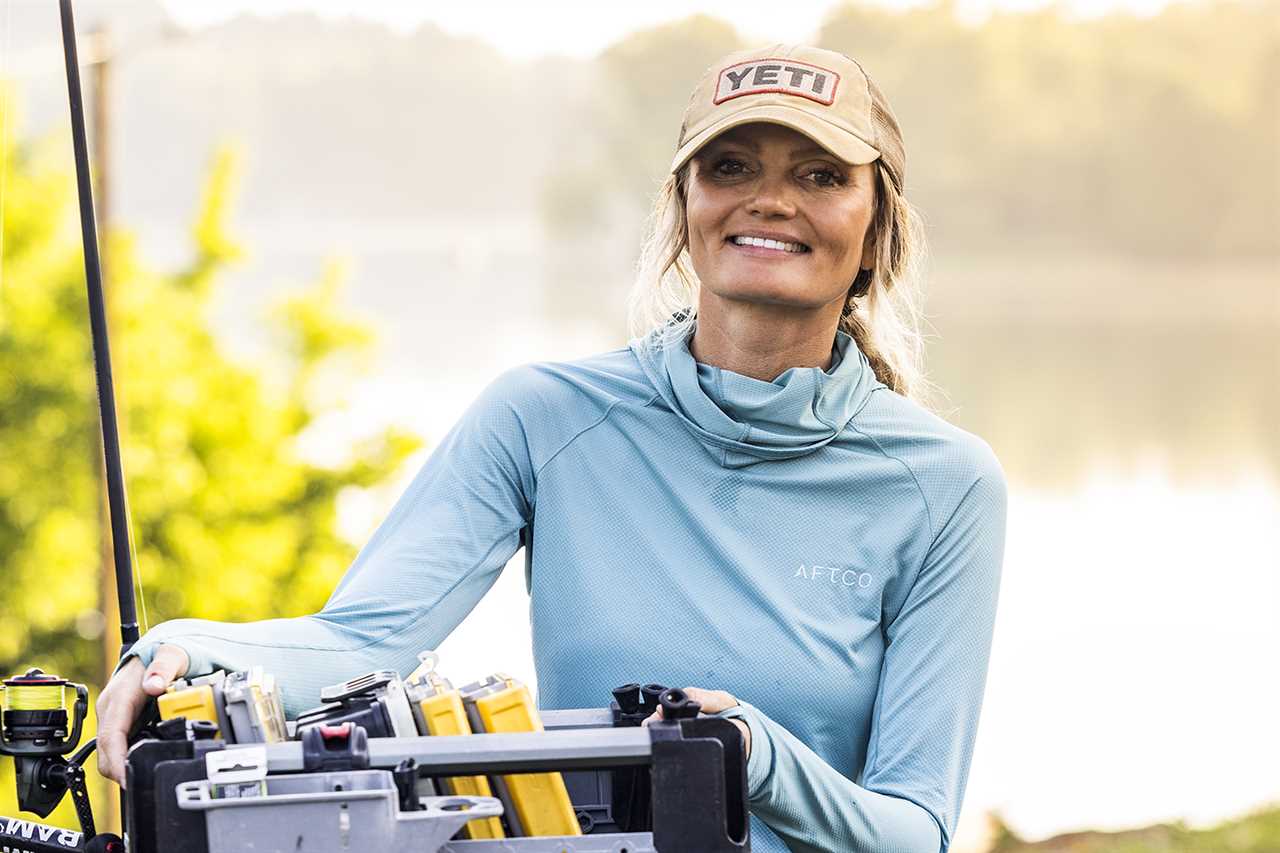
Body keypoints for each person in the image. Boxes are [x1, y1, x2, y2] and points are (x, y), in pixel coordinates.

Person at [96, 44, 1006, 853]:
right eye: (730, 166)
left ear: (876, 227)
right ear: (684, 205)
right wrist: (178, 651)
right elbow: (363, 639)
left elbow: (913, 827)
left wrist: (750, 752)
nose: (769, 200)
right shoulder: (541, 415)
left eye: (820, 175)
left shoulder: (946, 485)